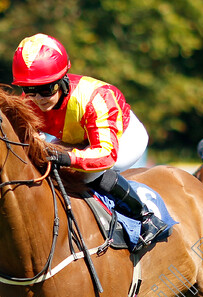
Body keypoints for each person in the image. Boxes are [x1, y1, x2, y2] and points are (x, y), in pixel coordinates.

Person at [11, 33, 166, 250]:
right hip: (79, 137)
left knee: (88, 173)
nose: (38, 98)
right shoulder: (29, 101)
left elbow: (105, 155)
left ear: (63, 79)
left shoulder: (96, 99)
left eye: (46, 89)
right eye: (30, 90)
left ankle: (146, 216)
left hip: (123, 138)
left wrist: (64, 156)